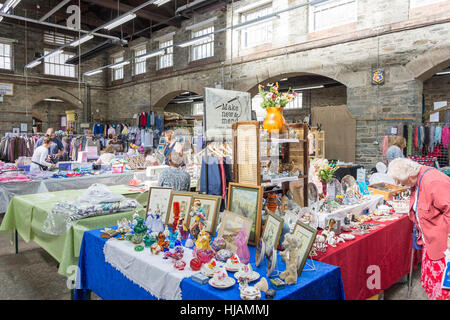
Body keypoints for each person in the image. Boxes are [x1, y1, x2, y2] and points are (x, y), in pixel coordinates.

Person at [387, 158, 450, 300]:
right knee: (434, 284)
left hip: (443, 245)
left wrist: (449, 240)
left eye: (399, 180)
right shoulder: (417, 180)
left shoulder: (433, 182)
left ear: (409, 177)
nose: (398, 184)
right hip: (431, 241)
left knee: (444, 285)